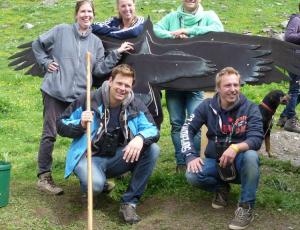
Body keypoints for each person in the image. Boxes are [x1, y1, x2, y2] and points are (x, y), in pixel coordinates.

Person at [32, 0, 133, 195]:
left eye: (90, 12)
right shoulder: (61, 31)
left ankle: (91, 177)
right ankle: (44, 176)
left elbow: (99, 69)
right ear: (76, 14)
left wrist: (117, 53)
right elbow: (38, 44)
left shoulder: (95, 42)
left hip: (79, 95)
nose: (87, 15)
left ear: (93, 15)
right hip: (55, 90)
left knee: (85, 133)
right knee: (50, 133)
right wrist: (45, 62)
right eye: (83, 11)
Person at [57, 64, 160, 224]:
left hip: (117, 158)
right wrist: (80, 124)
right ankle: (93, 187)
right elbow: (61, 124)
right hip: (88, 158)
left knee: (152, 149)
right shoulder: (88, 100)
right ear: (110, 81)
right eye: (119, 83)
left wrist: (140, 138)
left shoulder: (135, 104)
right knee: (95, 185)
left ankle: (129, 203)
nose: (122, 88)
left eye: (127, 85)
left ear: (131, 87)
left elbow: (153, 130)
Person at [181, 67, 263, 230]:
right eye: (227, 86)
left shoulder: (250, 107)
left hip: (241, 162)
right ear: (218, 88)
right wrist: (190, 155)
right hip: (215, 160)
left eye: (236, 85)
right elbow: (187, 128)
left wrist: (236, 148)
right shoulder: (206, 106)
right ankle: (221, 188)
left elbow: (256, 138)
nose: (233, 90)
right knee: (192, 174)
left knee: (251, 156)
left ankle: (245, 207)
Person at [154, 0, 224, 172]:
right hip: (174, 82)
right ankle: (181, 162)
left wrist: (188, 31)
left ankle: (193, 159)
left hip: (196, 82)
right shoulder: (171, 17)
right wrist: (172, 35)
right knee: (177, 123)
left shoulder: (209, 16)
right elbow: (155, 30)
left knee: (196, 123)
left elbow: (218, 30)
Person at [92, 0, 163, 129]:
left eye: (129, 5)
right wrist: (116, 35)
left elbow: (133, 32)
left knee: (150, 112)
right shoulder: (112, 22)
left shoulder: (141, 21)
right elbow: (93, 26)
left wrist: (111, 34)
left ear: (134, 6)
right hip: (119, 77)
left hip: (142, 76)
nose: (127, 9)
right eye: (123, 6)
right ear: (118, 8)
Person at [277, 3, 300, 133]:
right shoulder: (296, 19)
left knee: (297, 90)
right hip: (295, 60)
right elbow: (289, 36)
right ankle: (290, 120)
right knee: (294, 90)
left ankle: (284, 117)